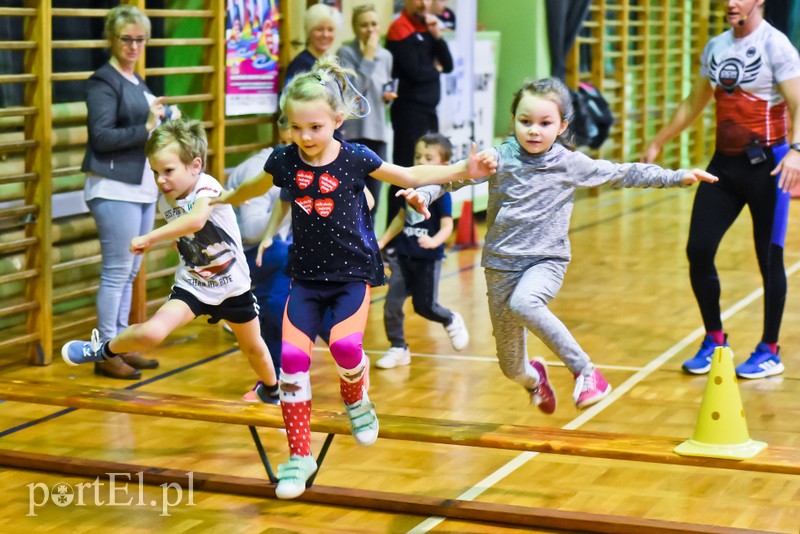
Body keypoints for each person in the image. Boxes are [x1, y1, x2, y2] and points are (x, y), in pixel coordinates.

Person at [213, 56, 495, 500]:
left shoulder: (355, 158)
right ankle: (299, 456)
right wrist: (222, 197)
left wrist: (463, 170)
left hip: (351, 275)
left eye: (315, 127)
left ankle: (357, 397)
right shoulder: (285, 160)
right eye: (296, 128)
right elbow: (255, 188)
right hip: (305, 278)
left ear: (337, 120)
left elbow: (409, 174)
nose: (305, 137)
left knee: (346, 349)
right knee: (292, 363)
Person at [400, 78, 717, 415]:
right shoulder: (499, 157)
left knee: (525, 303)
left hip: (545, 261)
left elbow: (622, 173)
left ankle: (587, 371)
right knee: (511, 367)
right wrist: (424, 194)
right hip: (500, 266)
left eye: (545, 123)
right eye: (525, 121)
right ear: (514, 120)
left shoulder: (570, 164)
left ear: (562, 126)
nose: (534, 131)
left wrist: (675, 177)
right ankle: (535, 380)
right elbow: (454, 178)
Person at [62, 120, 279, 405]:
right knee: (152, 332)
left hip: (233, 289)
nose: (160, 180)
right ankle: (103, 350)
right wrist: (180, 243)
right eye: (155, 172)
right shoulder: (166, 201)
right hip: (194, 287)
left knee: (253, 348)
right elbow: (187, 234)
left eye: (168, 171)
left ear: (195, 165)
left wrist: (151, 237)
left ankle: (272, 390)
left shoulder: (207, 187)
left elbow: (197, 219)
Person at [641, 0, 800, 379]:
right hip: (724, 168)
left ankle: (770, 350)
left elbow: (799, 104)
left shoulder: (775, 45)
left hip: (769, 167)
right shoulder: (716, 46)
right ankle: (715, 340)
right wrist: (658, 141)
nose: (730, 2)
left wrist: (796, 151)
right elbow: (694, 102)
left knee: (769, 258)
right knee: (698, 249)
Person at [81, 5, 180, 380]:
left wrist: (165, 119)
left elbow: (146, 126)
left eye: (141, 39)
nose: (134, 46)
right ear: (112, 38)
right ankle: (105, 352)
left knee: (130, 272)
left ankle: (119, 344)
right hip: (113, 188)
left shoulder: (136, 80)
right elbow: (102, 137)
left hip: (138, 188)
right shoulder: (103, 82)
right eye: (127, 39)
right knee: (116, 272)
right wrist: (148, 125)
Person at [375, 133, 467, 369]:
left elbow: (447, 226)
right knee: (392, 305)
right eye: (418, 157)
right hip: (403, 257)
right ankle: (398, 347)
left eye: (428, 157)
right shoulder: (409, 188)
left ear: (444, 165)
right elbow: (401, 218)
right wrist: (382, 241)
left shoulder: (441, 193)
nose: (421, 161)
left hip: (427, 259)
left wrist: (435, 242)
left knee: (424, 306)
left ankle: (450, 318)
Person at [225, 115, 293, 390]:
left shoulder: (311, 164)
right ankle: (275, 377)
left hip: (271, 249)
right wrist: (299, 203)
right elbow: (252, 232)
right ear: (285, 135)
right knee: (288, 263)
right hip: (236, 257)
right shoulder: (260, 169)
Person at [385, 0, 454, 224]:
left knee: (431, 172)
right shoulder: (400, 29)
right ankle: (395, 236)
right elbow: (415, 71)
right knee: (404, 172)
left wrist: (437, 36)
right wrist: (435, 70)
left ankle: (427, 229)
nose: (423, 3)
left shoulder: (428, 28)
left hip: (428, 111)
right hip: (409, 113)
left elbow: (448, 65)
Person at [337, 3, 397, 218]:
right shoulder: (345, 53)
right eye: (364, 25)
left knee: (374, 200)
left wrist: (387, 99)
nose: (370, 30)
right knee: (352, 199)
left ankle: (370, 239)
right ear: (355, 28)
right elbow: (353, 93)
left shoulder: (386, 56)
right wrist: (368, 58)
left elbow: (383, 93)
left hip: (378, 134)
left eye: (374, 24)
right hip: (353, 135)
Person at [284, 3, 340, 84]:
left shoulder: (330, 63)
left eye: (330, 29)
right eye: (319, 29)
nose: (325, 35)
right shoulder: (300, 65)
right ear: (308, 32)